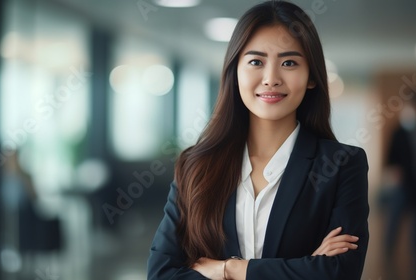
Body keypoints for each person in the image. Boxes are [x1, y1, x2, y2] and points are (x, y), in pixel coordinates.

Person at [147, 1, 369, 279]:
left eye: (289, 62)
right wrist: (305, 266)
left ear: (311, 76)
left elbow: (340, 273)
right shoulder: (196, 164)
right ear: (235, 71)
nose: (271, 78)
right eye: (256, 62)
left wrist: (230, 269)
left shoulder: (342, 164)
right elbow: (161, 273)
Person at [384, 91, 416, 280]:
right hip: (402, 185)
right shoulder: (398, 131)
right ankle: (388, 254)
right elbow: (390, 158)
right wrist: (394, 172)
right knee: (395, 221)